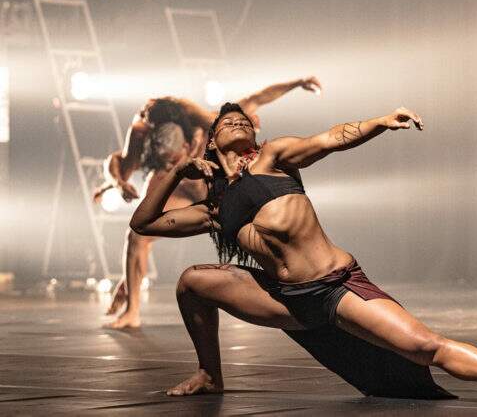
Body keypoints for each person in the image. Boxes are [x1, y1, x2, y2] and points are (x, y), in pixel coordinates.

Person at [129, 103, 477, 409]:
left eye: (244, 121)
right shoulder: (216, 208)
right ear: (212, 142)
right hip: (284, 297)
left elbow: (329, 138)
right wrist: (177, 172)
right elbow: (144, 223)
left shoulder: (274, 157)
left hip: (335, 288)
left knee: (425, 346)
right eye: (226, 122)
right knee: (192, 282)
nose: (237, 121)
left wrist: (378, 123)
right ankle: (209, 373)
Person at [93, 77, 322, 329]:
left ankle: (304, 278)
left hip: (213, 184)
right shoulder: (141, 131)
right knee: (137, 236)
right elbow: (117, 162)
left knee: (260, 230)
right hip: (179, 186)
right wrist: (116, 182)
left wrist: (297, 83)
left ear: (190, 139)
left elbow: (255, 99)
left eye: (175, 152)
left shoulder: (207, 121)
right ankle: (132, 310)